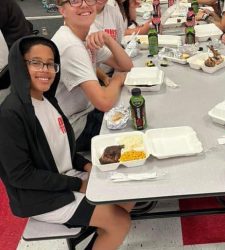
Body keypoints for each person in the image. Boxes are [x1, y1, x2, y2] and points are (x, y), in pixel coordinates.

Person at [0, 36, 134, 250]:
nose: (45, 70)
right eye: (35, 62)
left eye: (50, 63)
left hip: (64, 177)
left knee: (126, 195)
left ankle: (101, 234)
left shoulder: (47, 100)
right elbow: (21, 176)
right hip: (41, 197)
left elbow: (61, 149)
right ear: (19, 65)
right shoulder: (10, 114)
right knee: (120, 222)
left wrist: (87, 166)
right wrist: (78, 184)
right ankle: (106, 229)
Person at [53, 0, 133, 152]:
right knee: (134, 129)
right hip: (73, 129)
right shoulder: (71, 46)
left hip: (86, 111)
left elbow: (126, 66)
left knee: (135, 109)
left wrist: (108, 39)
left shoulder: (86, 36)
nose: (84, 5)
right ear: (62, 10)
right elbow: (103, 102)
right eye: (75, 1)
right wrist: (117, 80)